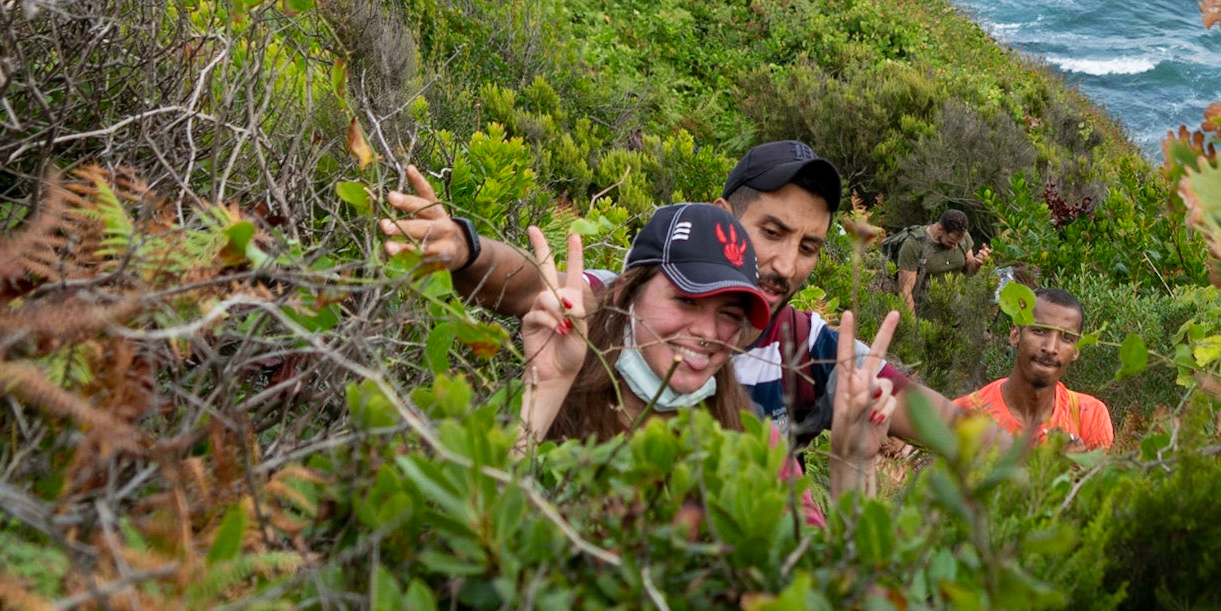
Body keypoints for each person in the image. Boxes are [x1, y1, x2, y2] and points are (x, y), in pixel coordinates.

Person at [379, 140, 959, 449]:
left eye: (809, 247)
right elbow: (537, 287)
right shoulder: (629, 305)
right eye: (772, 232)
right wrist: (467, 249)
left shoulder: (811, 350)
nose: (785, 265)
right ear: (721, 218)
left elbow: (950, 427)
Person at [518, 202, 902, 504]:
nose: (707, 332)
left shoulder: (754, 441)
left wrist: (854, 465)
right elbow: (482, 554)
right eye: (686, 300)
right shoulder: (562, 405)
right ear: (624, 293)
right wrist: (546, 386)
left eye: (729, 314)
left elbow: (818, 583)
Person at [953, 286, 1113, 451]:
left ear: (1076, 350)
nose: (1051, 348)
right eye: (1040, 331)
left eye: (1066, 338)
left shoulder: (1089, 415)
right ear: (1015, 335)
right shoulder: (966, 415)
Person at [893, 208, 990, 321]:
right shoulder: (914, 244)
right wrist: (913, 328)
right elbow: (905, 290)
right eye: (951, 242)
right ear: (940, 229)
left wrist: (977, 263)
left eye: (958, 243)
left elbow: (969, 270)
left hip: (954, 311)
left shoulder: (961, 236)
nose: (955, 247)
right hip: (923, 314)